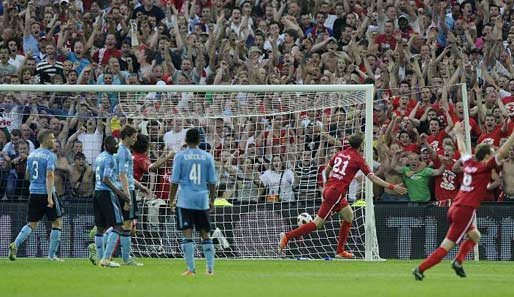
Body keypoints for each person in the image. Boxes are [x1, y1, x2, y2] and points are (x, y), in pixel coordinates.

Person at [279, 133, 407, 258]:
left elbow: (327, 170)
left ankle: (340, 251)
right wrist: (392, 186)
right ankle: (287, 236)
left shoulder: (339, 153)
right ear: (361, 145)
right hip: (336, 193)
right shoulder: (358, 159)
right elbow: (373, 178)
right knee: (318, 223)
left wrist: (330, 183)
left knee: (349, 216)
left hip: (330, 188)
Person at [413, 123, 514, 280]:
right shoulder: (485, 167)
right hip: (465, 210)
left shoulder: (469, 164)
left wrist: (459, 134)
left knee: (475, 235)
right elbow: (502, 151)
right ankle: (420, 269)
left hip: (455, 206)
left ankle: (458, 262)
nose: (494, 153)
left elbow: (462, 150)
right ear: (487, 156)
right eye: (491, 152)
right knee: (447, 245)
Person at [169, 128, 218, 276]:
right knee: (205, 234)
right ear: (199, 141)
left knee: (187, 234)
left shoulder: (180, 157)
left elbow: (174, 182)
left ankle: (191, 269)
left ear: (186, 140)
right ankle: (210, 269)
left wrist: (171, 201)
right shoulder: (207, 157)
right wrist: (212, 200)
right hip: (202, 200)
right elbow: (212, 183)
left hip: (185, 200)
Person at [8, 131, 64, 261]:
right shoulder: (50, 155)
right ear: (45, 140)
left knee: (32, 224)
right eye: (52, 138)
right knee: (57, 222)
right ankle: (51, 256)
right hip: (46, 192)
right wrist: (50, 196)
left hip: (33, 192)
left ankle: (15, 244)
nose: (54, 141)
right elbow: (50, 175)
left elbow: (27, 175)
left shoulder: (32, 155)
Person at [93, 136, 130, 268]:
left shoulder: (99, 157)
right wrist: (121, 193)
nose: (117, 147)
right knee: (118, 225)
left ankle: (100, 258)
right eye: (114, 145)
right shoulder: (109, 159)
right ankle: (106, 258)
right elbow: (106, 179)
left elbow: (96, 176)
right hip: (106, 193)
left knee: (100, 227)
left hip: (97, 192)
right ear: (107, 146)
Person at [116, 125, 147, 266]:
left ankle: (123, 258)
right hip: (126, 190)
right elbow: (122, 174)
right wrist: (127, 195)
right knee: (126, 225)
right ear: (127, 137)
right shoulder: (123, 152)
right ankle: (126, 259)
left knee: (125, 224)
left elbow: (127, 175)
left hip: (125, 188)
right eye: (134, 137)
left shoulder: (122, 150)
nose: (135, 140)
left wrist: (140, 186)